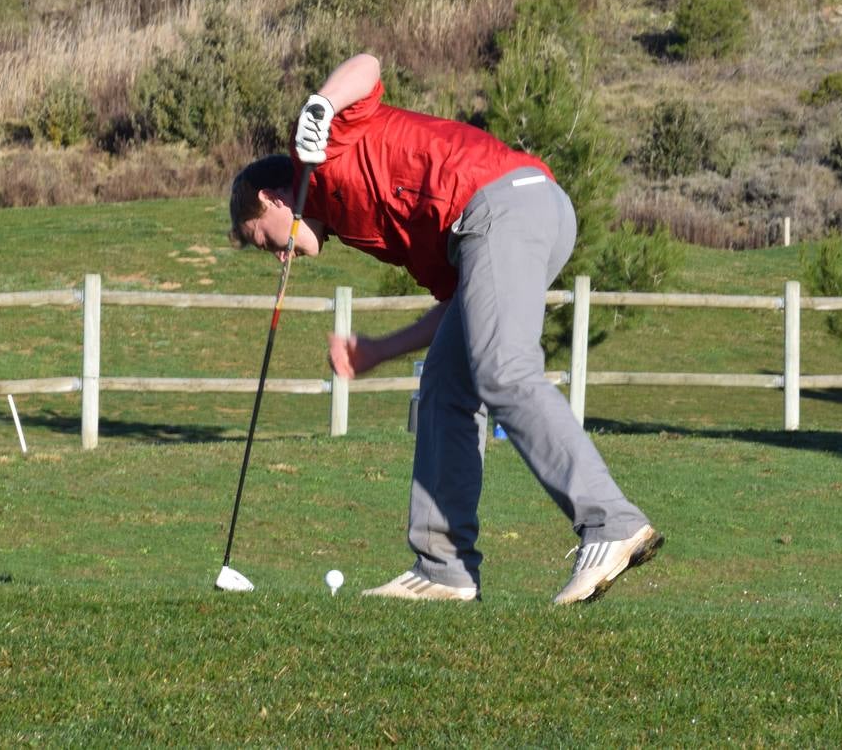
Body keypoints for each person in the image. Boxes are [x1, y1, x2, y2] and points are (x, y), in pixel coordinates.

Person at [228, 53, 662, 603]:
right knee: (446, 385)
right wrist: (380, 350)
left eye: (263, 237)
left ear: (271, 198)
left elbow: (366, 65)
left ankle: (610, 524)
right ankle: (444, 569)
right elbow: (457, 302)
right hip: (509, 220)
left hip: (505, 202)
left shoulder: (316, 149)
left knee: (503, 369)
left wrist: (320, 106)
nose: (276, 254)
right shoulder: (363, 228)